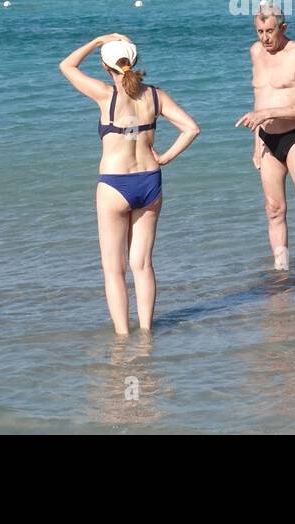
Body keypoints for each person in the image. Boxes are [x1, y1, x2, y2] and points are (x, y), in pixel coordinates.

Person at [59, 33, 199, 334]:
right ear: (134, 62)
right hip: (149, 183)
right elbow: (191, 128)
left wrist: (98, 41)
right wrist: (165, 158)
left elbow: (67, 66)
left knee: (114, 270)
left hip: (114, 185)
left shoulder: (104, 94)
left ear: (106, 67)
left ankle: (123, 338)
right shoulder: (156, 96)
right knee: (143, 265)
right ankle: (148, 334)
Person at [235, 2, 295, 271]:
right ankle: (282, 269)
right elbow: (259, 97)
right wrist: (256, 142)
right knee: (274, 209)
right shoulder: (255, 52)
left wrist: (268, 114)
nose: (264, 38)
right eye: (259, 31)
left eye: (270, 31)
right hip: (266, 139)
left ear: (283, 28)